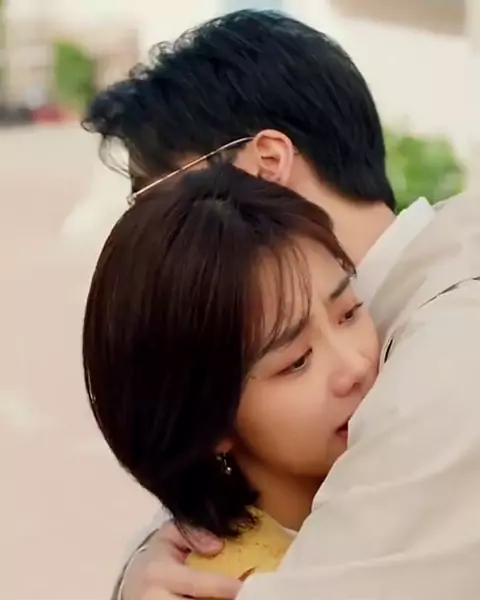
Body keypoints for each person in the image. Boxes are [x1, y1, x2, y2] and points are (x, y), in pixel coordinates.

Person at [84, 9, 480, 600]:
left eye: (157, 192)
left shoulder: (446, 357)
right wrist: (157, 558)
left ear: (265, 166)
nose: (158, 228)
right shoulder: (416, 304)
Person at [83, 164, 379, 581]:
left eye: (348, 313)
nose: (355, 366)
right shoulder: (246, 583)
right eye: (297, 361)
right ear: (207, 421)